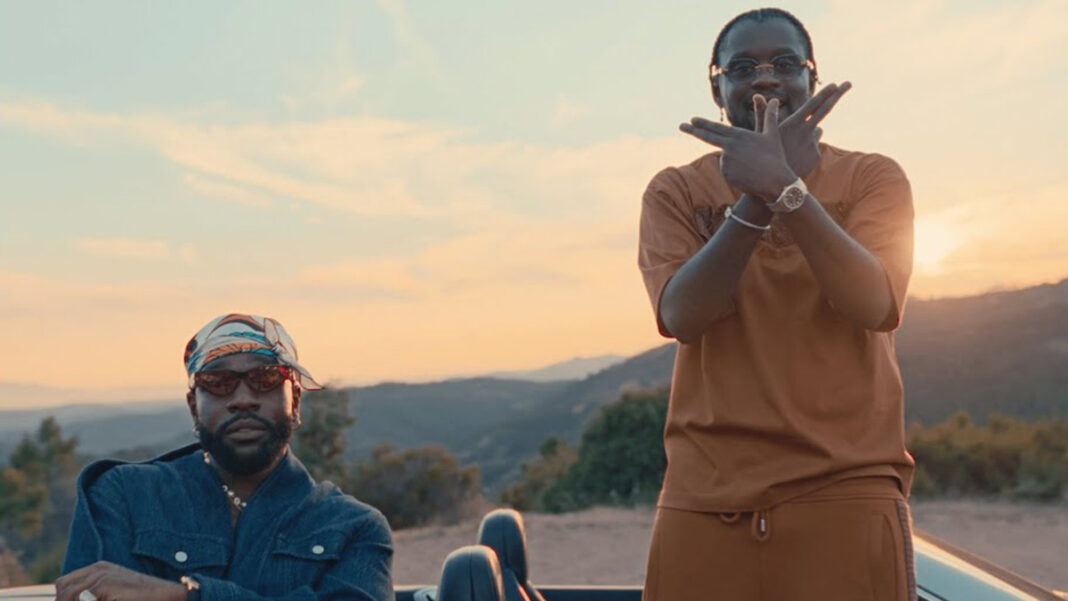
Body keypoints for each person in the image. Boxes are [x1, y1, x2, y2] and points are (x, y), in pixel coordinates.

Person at [638, 8, 916, 601]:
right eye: (742, 68)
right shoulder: (675, 190)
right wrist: (760, 196)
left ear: (812, 77)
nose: (765, 78)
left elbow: (874, 304)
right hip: (705, 500)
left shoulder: (873, 178)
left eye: (785, 63)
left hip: (846, 490)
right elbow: (682, 315)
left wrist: (786, 188)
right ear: (717, 89)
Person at [56, 313, 393, 601]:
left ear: (295, 401)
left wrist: (185, 595)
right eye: (218, 382)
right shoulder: (124, 494)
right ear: (194, 407)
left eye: (266, 378)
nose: (243, 399)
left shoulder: (353, 527)